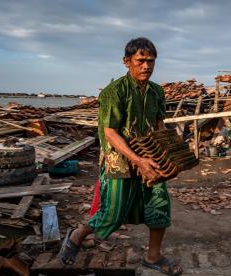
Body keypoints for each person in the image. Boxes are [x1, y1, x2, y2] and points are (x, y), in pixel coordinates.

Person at [59, 37, 182, 276]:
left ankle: (153, 257)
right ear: (127, 62)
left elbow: (159, 125)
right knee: (112, 212)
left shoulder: (156, 92)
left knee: (159, 207)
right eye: (141, 60)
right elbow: (110, 132)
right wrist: (138, 160)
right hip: (120, 161)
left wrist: (170, 155)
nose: (146, 66)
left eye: (151, 61)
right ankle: (76, 235)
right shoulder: (114, 92)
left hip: (151, 158)